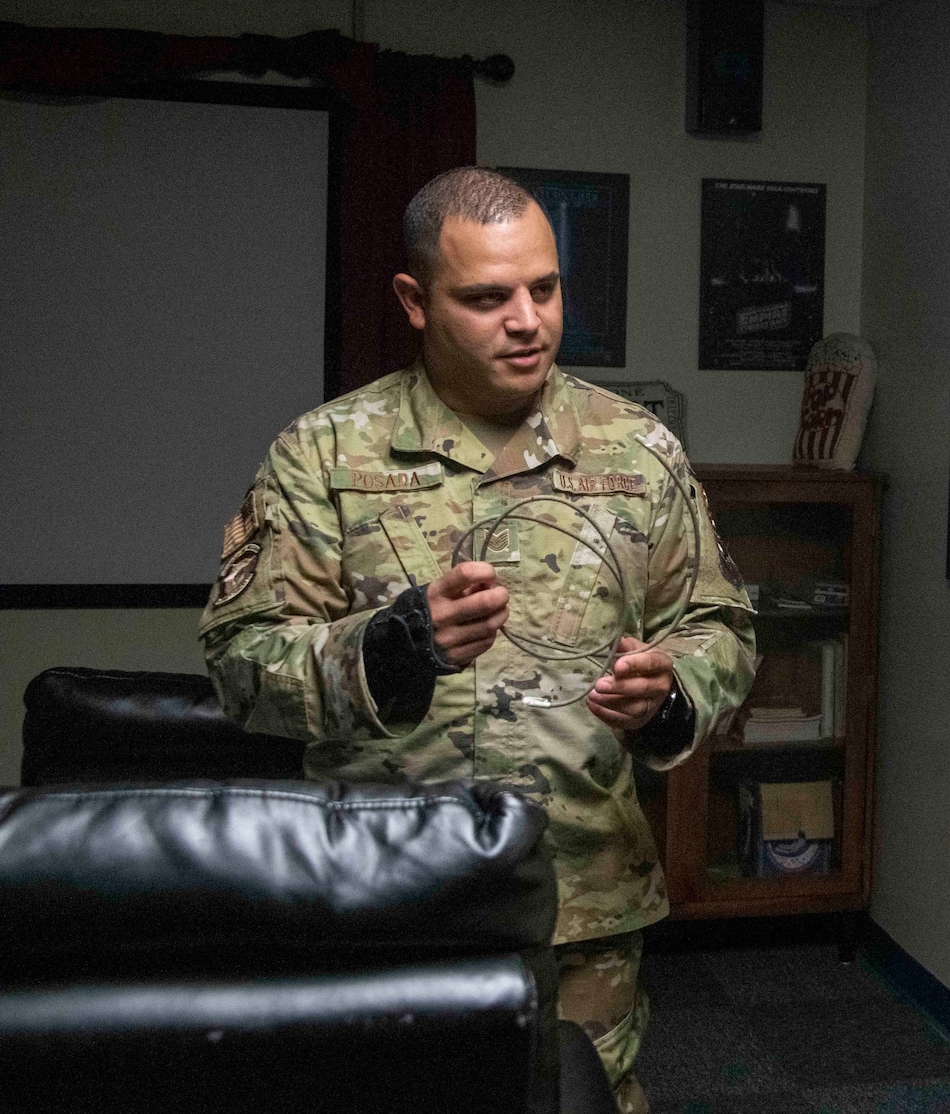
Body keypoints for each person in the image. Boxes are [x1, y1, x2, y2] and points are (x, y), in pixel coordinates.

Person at [200, 167, 755, 1113]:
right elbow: (242, 661)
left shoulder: (637, 449)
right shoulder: (327, 454)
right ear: (416, 302)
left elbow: (721, 625)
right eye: (487, 297)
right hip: (384, 891)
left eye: (545, 288)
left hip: (578, 895)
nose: (528, 319)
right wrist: (391, 648)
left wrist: (670, 694)